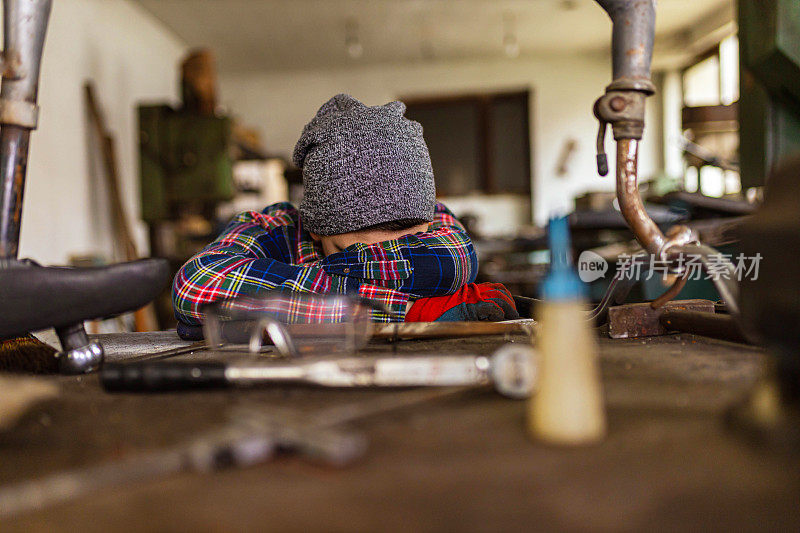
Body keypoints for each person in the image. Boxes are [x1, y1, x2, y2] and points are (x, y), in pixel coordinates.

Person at [172, 94, 517, 331]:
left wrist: (278, 300)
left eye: (408, 243)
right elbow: (195, 285)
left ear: (427, 219)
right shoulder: (272, 227)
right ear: (315, 227)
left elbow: (455, 261)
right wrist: (409, 310)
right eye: (349, 249)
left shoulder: (432, 216)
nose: (375, 257)